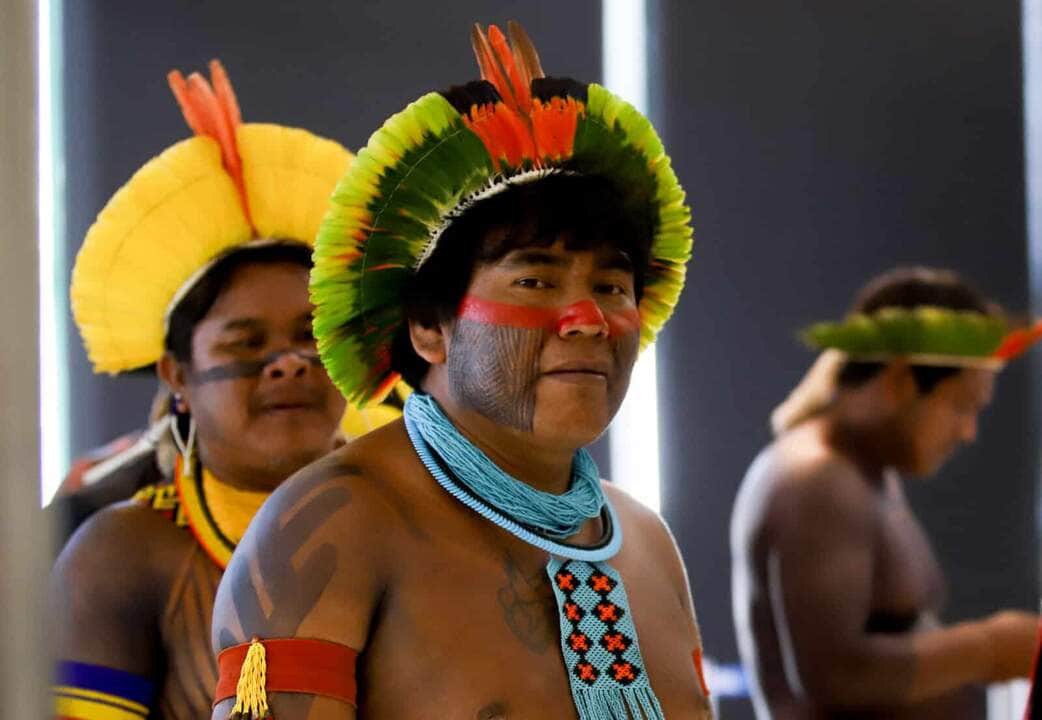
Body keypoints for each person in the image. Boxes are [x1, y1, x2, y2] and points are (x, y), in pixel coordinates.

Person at [211, 22, 712, 720]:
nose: (587, 319)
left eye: (611, 286)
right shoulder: (335, 523)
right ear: (429, 327)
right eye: (535, 282)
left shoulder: (645, 541)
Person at [50, 61, 357, 720]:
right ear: (177, 377)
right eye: (245, 344)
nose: (288, 364)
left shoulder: (424, 517)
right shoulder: (122, 554)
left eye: (312, 335)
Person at [731, 266, 1042, 718]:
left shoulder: (867, 472)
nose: (968, 431)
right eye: (962, 406)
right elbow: (834, 677)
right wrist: (990, 648)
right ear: (900, 382)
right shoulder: (817, 479)